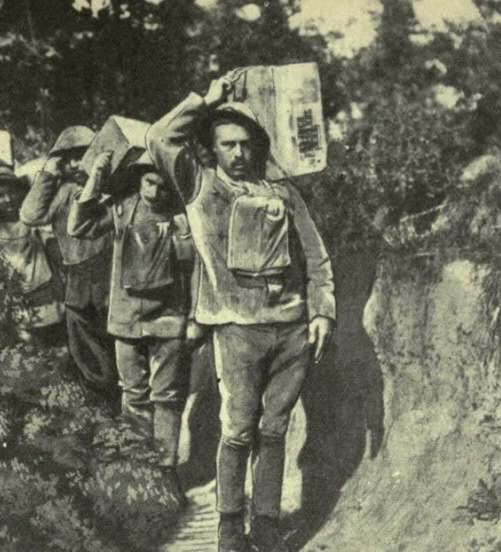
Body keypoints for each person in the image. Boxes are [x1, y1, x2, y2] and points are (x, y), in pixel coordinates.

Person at [146, 75, 336, 552]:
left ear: (258, 146)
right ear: (211, 149)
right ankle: (230, 531)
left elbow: (315, 256)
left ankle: (266, 528)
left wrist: (323, 312)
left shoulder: (283, 193)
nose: (238, 153)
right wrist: (205, 100)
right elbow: (159, 138)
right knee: (237, 431)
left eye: (246, 144)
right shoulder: (199, 185)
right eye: (227, 144)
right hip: (236, 330)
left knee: (275, 431)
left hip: (291, 330)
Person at [68, 151, 195, 505]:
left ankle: (166, 475)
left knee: (167, 399)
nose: (154, 192)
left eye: (163, 186)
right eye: (149, 183)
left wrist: (193, 317)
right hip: (126, 319)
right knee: (134, 397)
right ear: (139, 179)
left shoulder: (182, 214)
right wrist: (96, 177)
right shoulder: (121, 208)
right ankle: (141, 474)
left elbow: (193, 267)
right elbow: (78, 227)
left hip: (168, 318)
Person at [19, 126, 119, 406]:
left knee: (118, 351)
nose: (76, 164)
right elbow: (30, 215)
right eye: (69, 158)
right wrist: (49, 172)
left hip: (111, 277)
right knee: (87, 355)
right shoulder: (64, 193)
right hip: (77, 280)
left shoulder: (110, 190)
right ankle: (101, 410)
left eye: (82, 155)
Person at [0, 167, 65, 346]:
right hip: (16, 305)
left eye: (11, 193)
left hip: (46, 298)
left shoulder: (32, 222)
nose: (8, 199)